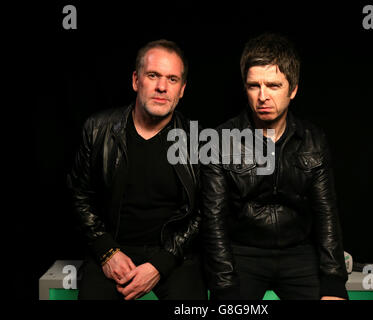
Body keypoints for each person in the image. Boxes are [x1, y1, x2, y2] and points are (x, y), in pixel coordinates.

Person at [201, 33, 348, 300]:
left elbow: (326, 213)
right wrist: (225, 285)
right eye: (254, 86)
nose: (263, 96)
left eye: (273, 85)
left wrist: (334, 281)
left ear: (293, 89)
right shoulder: (220, 141)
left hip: (299, 253)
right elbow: (213, 219)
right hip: (243, 254)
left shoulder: (313, 140)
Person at [68, 39, 207, 300]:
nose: (162, 87)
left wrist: (162, 262)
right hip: (113, 248)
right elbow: (79, 194)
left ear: (182, 90)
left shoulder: (198, 139)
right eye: (153, 75)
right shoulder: (98, 129)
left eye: (172, 79)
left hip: (174, 253)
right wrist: (107, 251)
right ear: (135, 80)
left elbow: (203, 210)